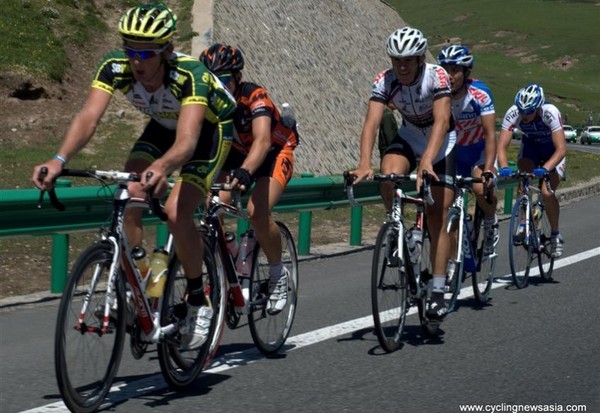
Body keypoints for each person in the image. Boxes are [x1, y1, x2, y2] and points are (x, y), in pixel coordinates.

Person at [31, 3, 237, 349]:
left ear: (167, 51)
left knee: (175, 212)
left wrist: (164, 168)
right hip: (162, 126)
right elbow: (89, 118)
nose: (135, 60)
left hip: (209, 132)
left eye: (145, 52)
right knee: (129, 191)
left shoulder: (189, 75)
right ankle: (139, 271)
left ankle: (199, 297)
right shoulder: (115, 67)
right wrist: (58, 158)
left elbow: (187, 142)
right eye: (129, 49)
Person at [350, 27, 457, 320]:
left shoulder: (437, 76)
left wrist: (427, 161)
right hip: (410, 136)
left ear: (421, 58)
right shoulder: (385, 80)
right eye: (397, 60)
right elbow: (371, 123)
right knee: (388, 174)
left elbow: (441, 120)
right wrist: (363, 162)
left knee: (437, 214)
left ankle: (437, 288)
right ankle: (397, 226)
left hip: (442, 142)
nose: (402, 66)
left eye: (408, 60)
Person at [198, 43, 299, 315]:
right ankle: (229, 251)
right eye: (212, 80)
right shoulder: (207, 102)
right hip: (236, 153)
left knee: (256, 211)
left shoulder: (255, 95)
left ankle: (278, 274)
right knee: (211, 206)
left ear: (238, 79)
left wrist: (246, 171)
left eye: (225, 80)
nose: (218, 86)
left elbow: (263, 140)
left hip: (273, 152)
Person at [437, 45, 499, 255]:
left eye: (455, 70)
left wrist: (489, 168)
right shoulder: (437, 94)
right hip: (454, 153)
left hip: (479, 152)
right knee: (446, 206)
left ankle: (490, 223)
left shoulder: (480, 94)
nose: (449, 75)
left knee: (481, 188)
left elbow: (491, 134)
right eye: (445, 69)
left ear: (466, 73)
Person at [497, 83, 567, 257]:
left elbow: (561, 149)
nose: (524, 115)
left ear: (538, 107)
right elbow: (502, 145)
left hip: (552, 151)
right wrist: (504, 167)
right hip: (532, 148)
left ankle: (555, 234)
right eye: (521, 111)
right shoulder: (513, 112)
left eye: (528, 112)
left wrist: (545, 168)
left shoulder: (550, 112)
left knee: (547, 192)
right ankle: (523, 221)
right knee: (523, 179)